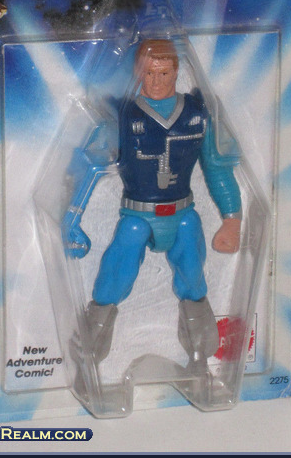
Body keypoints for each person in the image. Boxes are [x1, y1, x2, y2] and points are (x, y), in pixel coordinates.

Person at [64, 38, 241, 371]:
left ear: (177, 71)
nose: (157, 81)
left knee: (193, 281)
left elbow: (218, 168)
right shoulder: (120, 114)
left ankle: (200, 358)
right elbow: (88, 168)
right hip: (138, 215)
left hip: (182, 214)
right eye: (149, 73)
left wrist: (232, 219)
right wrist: (71, 217)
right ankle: (88, 356)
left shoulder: (199, 112)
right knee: (112, 280)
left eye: (164, 73)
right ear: (137, 72)